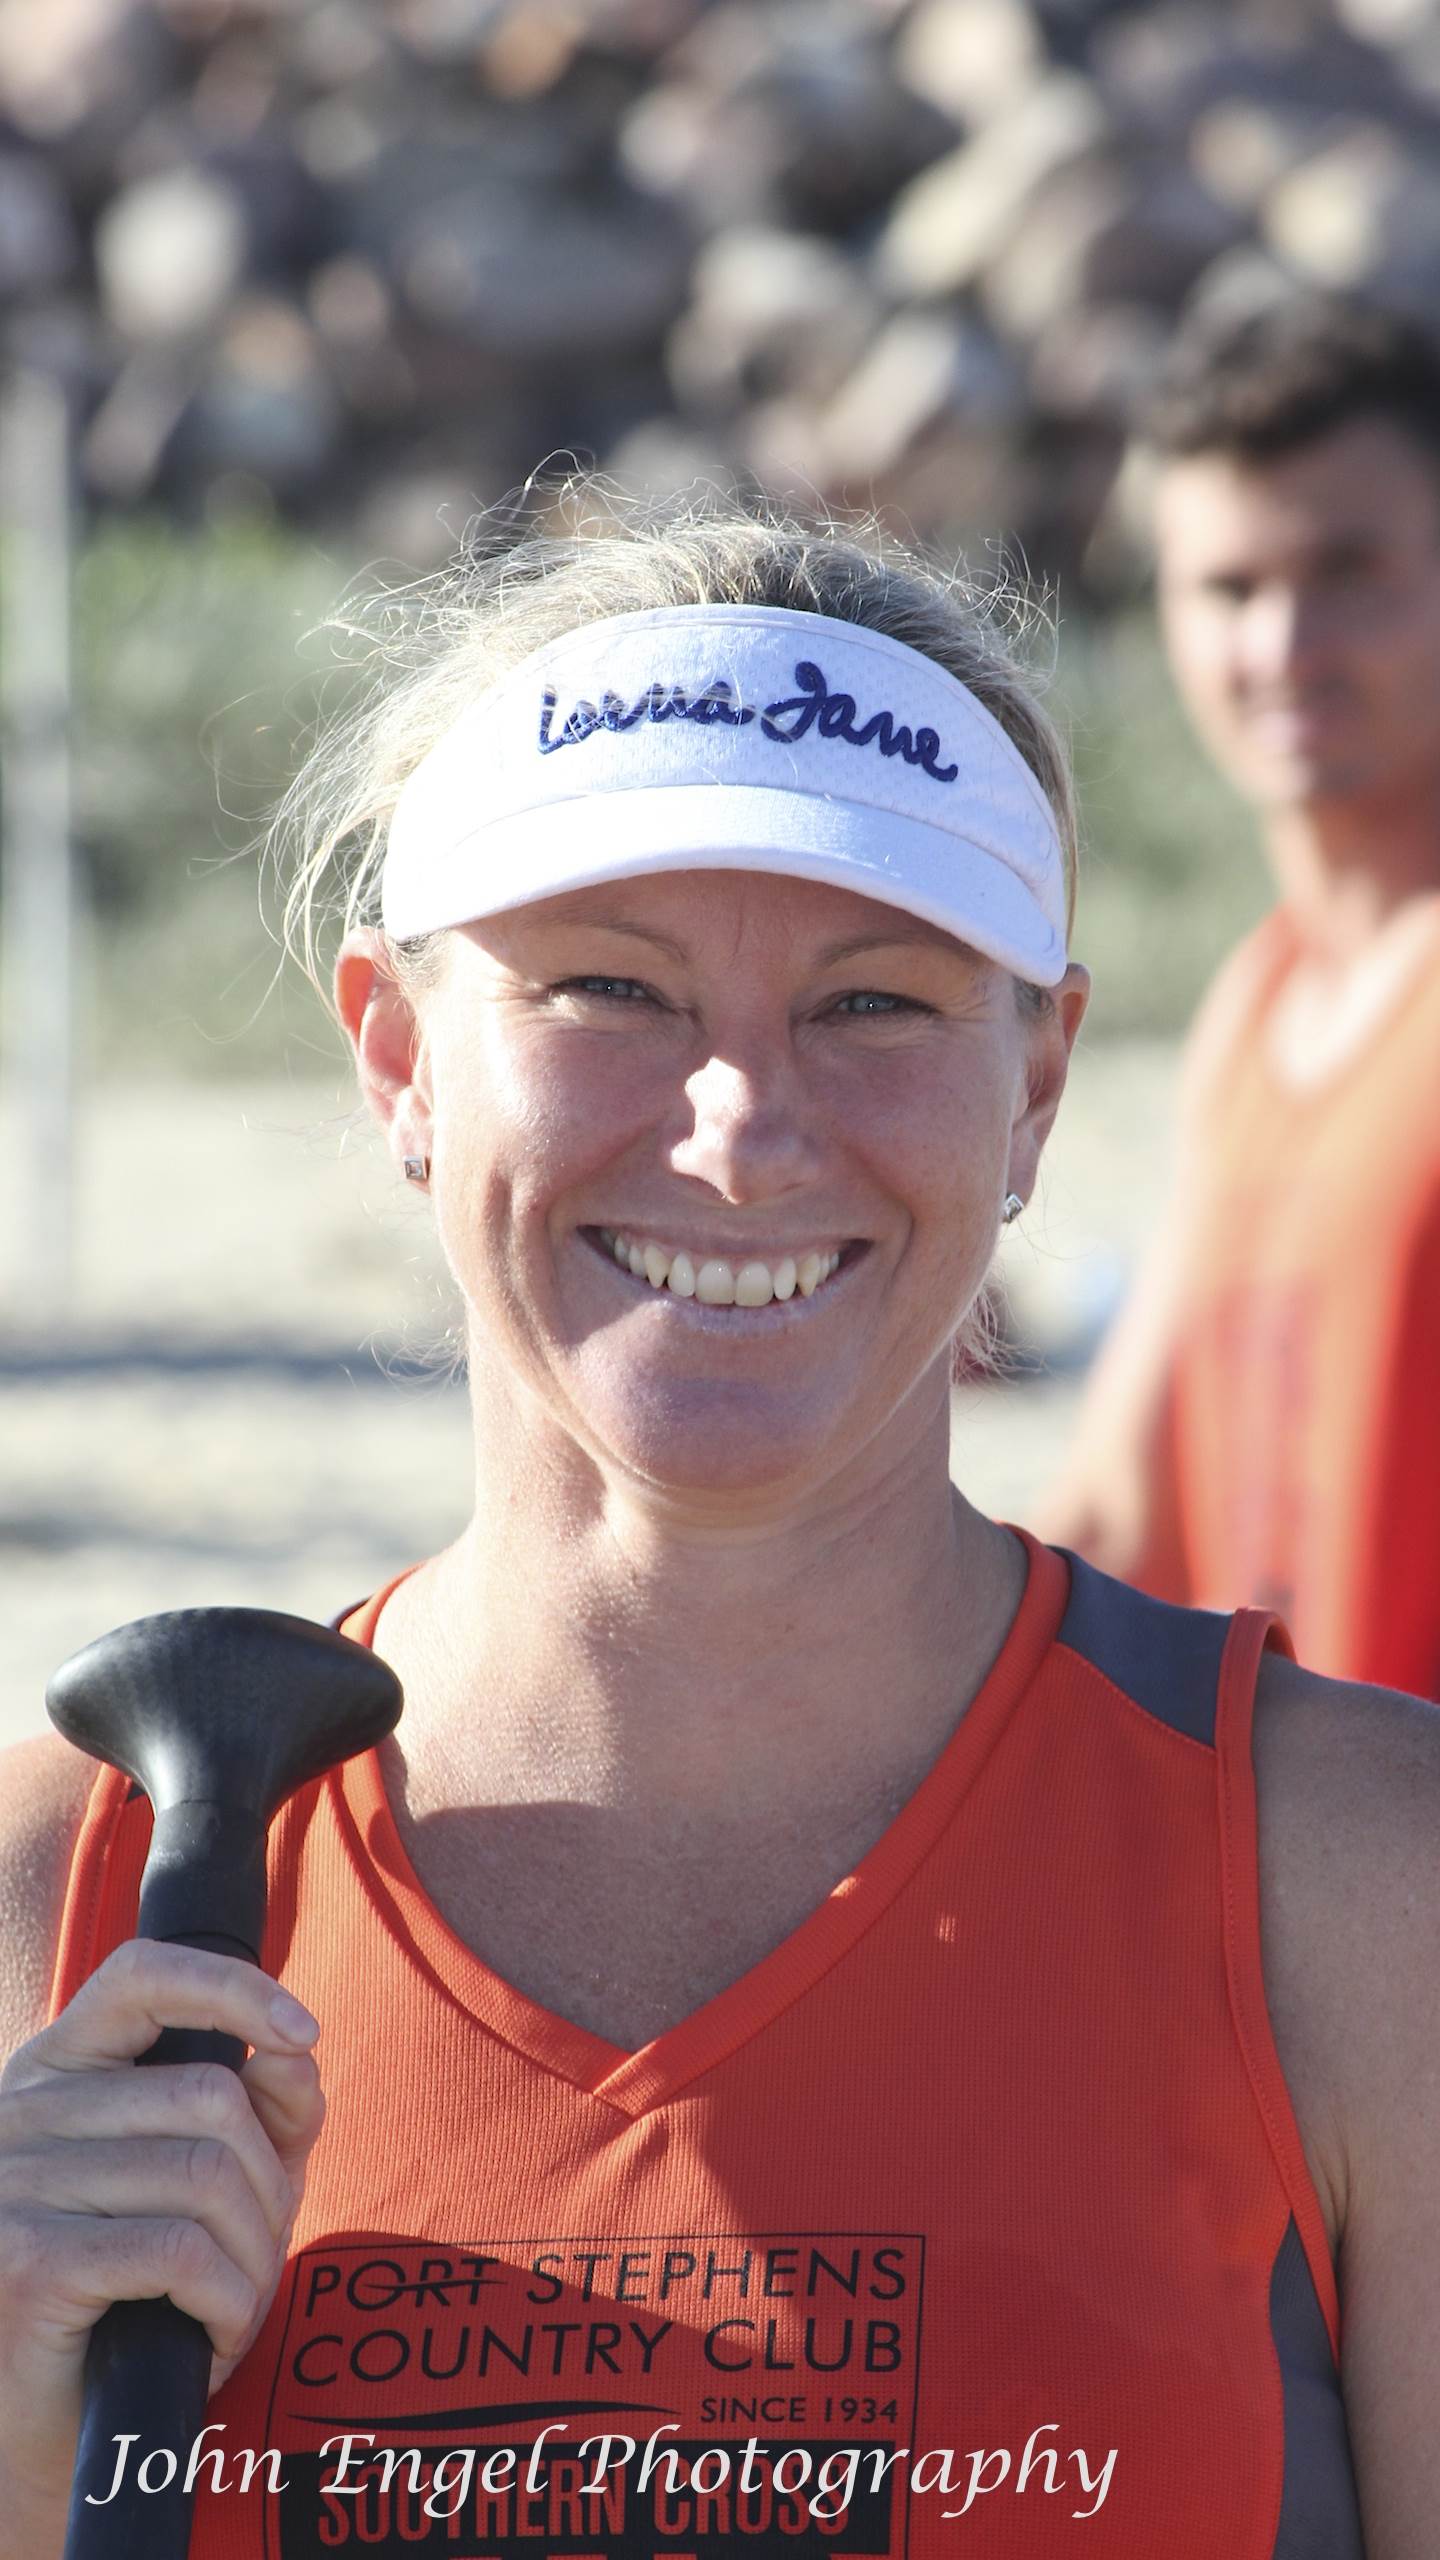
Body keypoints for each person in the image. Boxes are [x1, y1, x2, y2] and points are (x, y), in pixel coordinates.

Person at [0, 496, 1436, 2560]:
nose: (742, 1131)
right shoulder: (81, 1904)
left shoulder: (1358, 1894)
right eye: (610, 989)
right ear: (398, 1057)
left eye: (875, 1004)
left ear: (1038, 1085)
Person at [1040, 288, 1440, 1697]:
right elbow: (1120, 1518)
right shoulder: (1257, 1008)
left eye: (1348, 570)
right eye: (1228, 589)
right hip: (1296, 1829)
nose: (1282, 646)